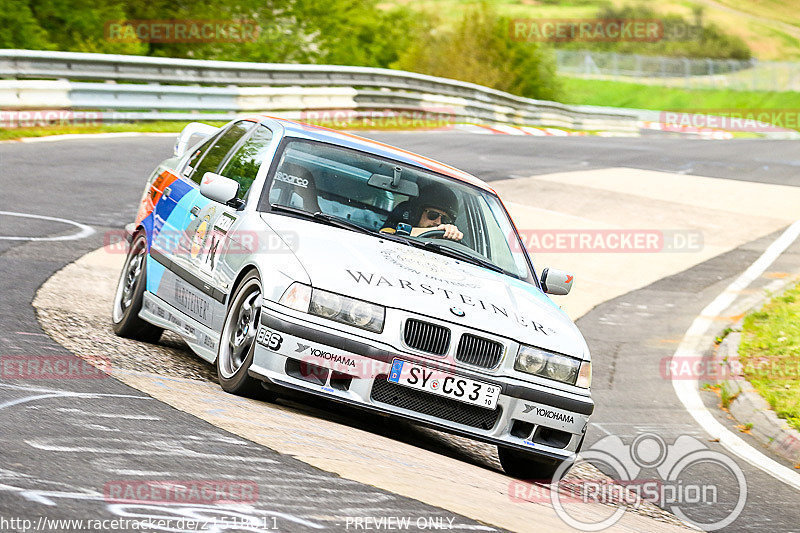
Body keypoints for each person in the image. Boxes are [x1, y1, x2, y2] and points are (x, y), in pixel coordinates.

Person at [381, 182, 463, 241]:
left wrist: (452, 234)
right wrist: (435, 230)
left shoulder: (448, 243)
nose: (438, 222)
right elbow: (384, 236)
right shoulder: (393, 229)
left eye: (445, 219)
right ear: (417, 213)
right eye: (433, 215)